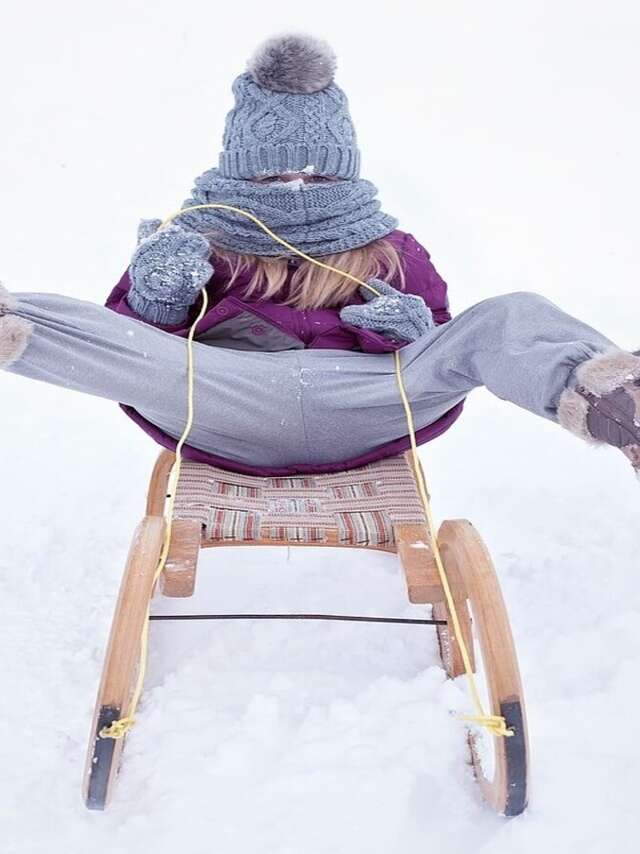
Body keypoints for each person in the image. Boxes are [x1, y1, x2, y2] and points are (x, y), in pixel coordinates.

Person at [1, 34, 638, 477]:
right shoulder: (192, 233)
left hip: (374, 402)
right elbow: (131, 348)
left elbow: (449, 342)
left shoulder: (392, 247)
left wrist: (410, 334)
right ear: (242, 176)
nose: (298, 191)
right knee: (78, 322)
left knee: (511, 315)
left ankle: (623, 408)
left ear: (345, 172)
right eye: (276, 179)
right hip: (220, 401)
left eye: (317, 177)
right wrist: (159, 299)